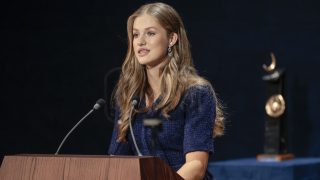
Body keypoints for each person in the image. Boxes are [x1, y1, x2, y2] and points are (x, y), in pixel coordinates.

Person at [108, 2, 224, 180]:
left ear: (172, 39)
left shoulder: (196, 93)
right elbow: (116, 161)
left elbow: (196, 166)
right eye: (136, 34)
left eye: (151, 33)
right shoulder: (129, 95)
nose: (140, 41)